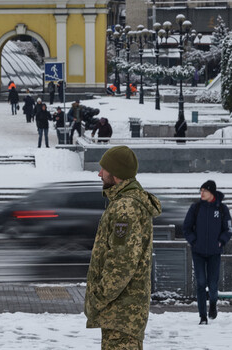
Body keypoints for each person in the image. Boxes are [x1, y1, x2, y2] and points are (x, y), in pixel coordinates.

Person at [86, 146, 162, 349]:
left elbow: (122, 264)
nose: (99, 174)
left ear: (117, 174)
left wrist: (97, 299)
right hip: (122, 314)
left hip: (121, 315)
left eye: (103, 169)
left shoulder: (125, 208)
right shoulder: (125, 203)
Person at [183, 180, 232, 324]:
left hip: (214, 253)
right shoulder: (196, 208)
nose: (201, 193)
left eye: (204, 191)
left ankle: (212, 304)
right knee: (200, 283)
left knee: (212, 284)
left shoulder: (222, 209)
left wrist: (221, 241)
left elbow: (229, 229)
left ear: (211, 192)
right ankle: (202, 316)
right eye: (200, 191)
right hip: (198, 252)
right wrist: (193, 241)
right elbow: (186, 228)